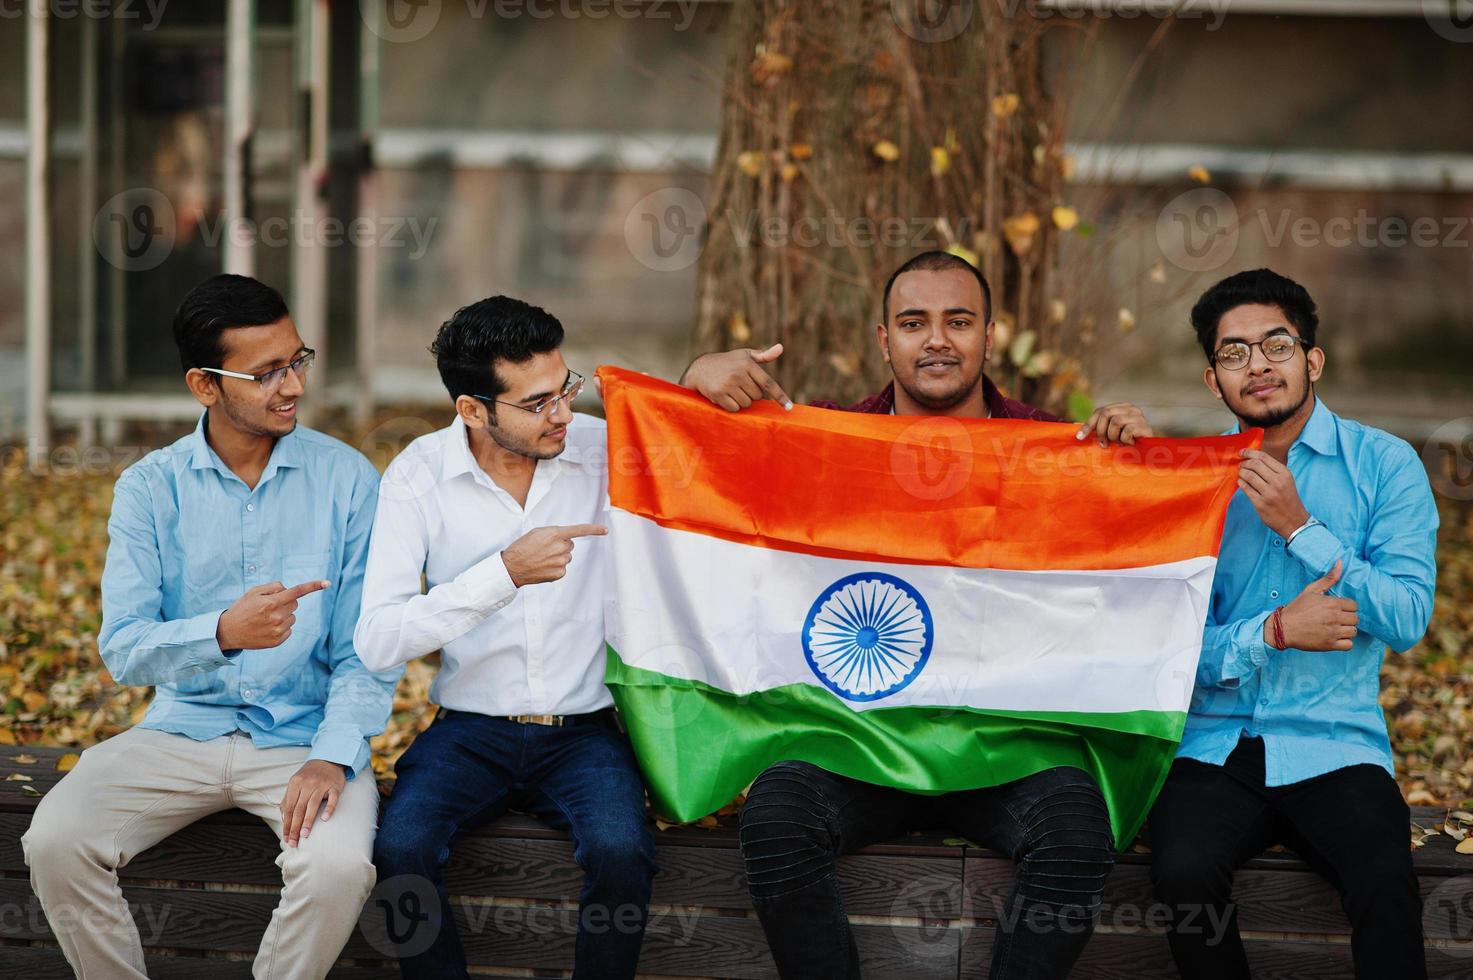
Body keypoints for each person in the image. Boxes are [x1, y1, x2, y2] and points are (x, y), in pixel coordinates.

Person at [681, 250, 1140, 979]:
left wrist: (1131, 468)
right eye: (913, 322)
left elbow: (1127, 576)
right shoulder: (828, 443)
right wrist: (695, 379)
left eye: (957, 321)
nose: (936, 340)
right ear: (881, 339)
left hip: (1004, 745)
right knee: (774, 816)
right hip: (860, 740)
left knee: (1078, 831)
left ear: (989, 335)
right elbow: (699, 476)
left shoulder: (1057, 450)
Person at [21, 274, 399, 980]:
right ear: (205, 385)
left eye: (298, 360)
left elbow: (366, 649)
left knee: (339, 866)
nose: (292, 386)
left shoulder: (348, 480)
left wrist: (333, 754)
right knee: (55, 839)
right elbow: (124, 650)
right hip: (178, 731)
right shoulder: (148, 488)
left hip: (302, 737)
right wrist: (222, 632)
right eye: (265, 373)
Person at [1147, 268, 1436, 979]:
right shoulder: (1192, 479)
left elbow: (1405, 617)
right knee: (1181, 876)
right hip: (1214, 745)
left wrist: (1301, 527)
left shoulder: (1385, 464)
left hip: (1333, 741)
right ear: (1213, 380)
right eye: (1233, 352)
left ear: (1312, 359)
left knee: (1385, 883)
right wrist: (1271, 631)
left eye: (1274, 345)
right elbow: (1165, 646)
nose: (1258, 366)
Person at [357, 296, 656, 980]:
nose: (562, 414)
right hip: (470, 729)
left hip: (584, 730)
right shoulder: (418, 474)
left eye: (566, 388)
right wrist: (501, 574)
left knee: (621, 851)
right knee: (400, 848)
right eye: (537, 403)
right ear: (472, 410)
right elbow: (377, 639)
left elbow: (703, 451)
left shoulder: (600, 450)